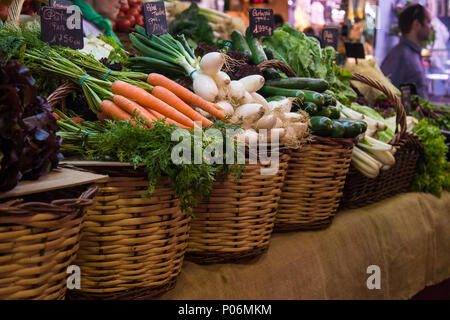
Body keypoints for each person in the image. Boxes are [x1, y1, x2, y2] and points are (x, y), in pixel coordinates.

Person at [380, 4, 433, 99]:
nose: (431, 27)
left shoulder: (413, 54)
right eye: (428, 22)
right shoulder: (400, 56)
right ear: (416, 24)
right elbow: (383, 94)